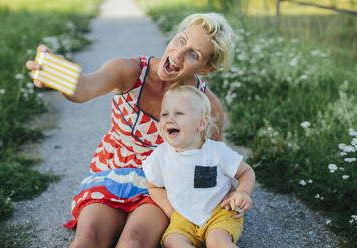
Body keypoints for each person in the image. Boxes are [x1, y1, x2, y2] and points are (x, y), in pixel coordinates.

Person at [26, 13, 236, 248]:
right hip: (112, 170)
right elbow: (84, 88)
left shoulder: (206, 104)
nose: (178, 54)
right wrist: (59, 74)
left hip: (161, 185)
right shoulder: (129, 70)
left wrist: (213, 212)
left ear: (206, 69)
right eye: (182, 40)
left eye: (194, 55)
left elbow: (212, 160)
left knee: (133, 240)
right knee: (88, 238)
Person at [142, 85, 255, 248]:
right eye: (164, 114)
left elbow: (246, 172)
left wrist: (242, 192)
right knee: (172, 240)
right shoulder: (160, 156)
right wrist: (170, 211)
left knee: (217, 241)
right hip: (184, 216)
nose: (169, 119)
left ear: (201, 123)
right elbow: (153, 186)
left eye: (179, 113)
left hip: (220, 210)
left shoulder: (216, 151)